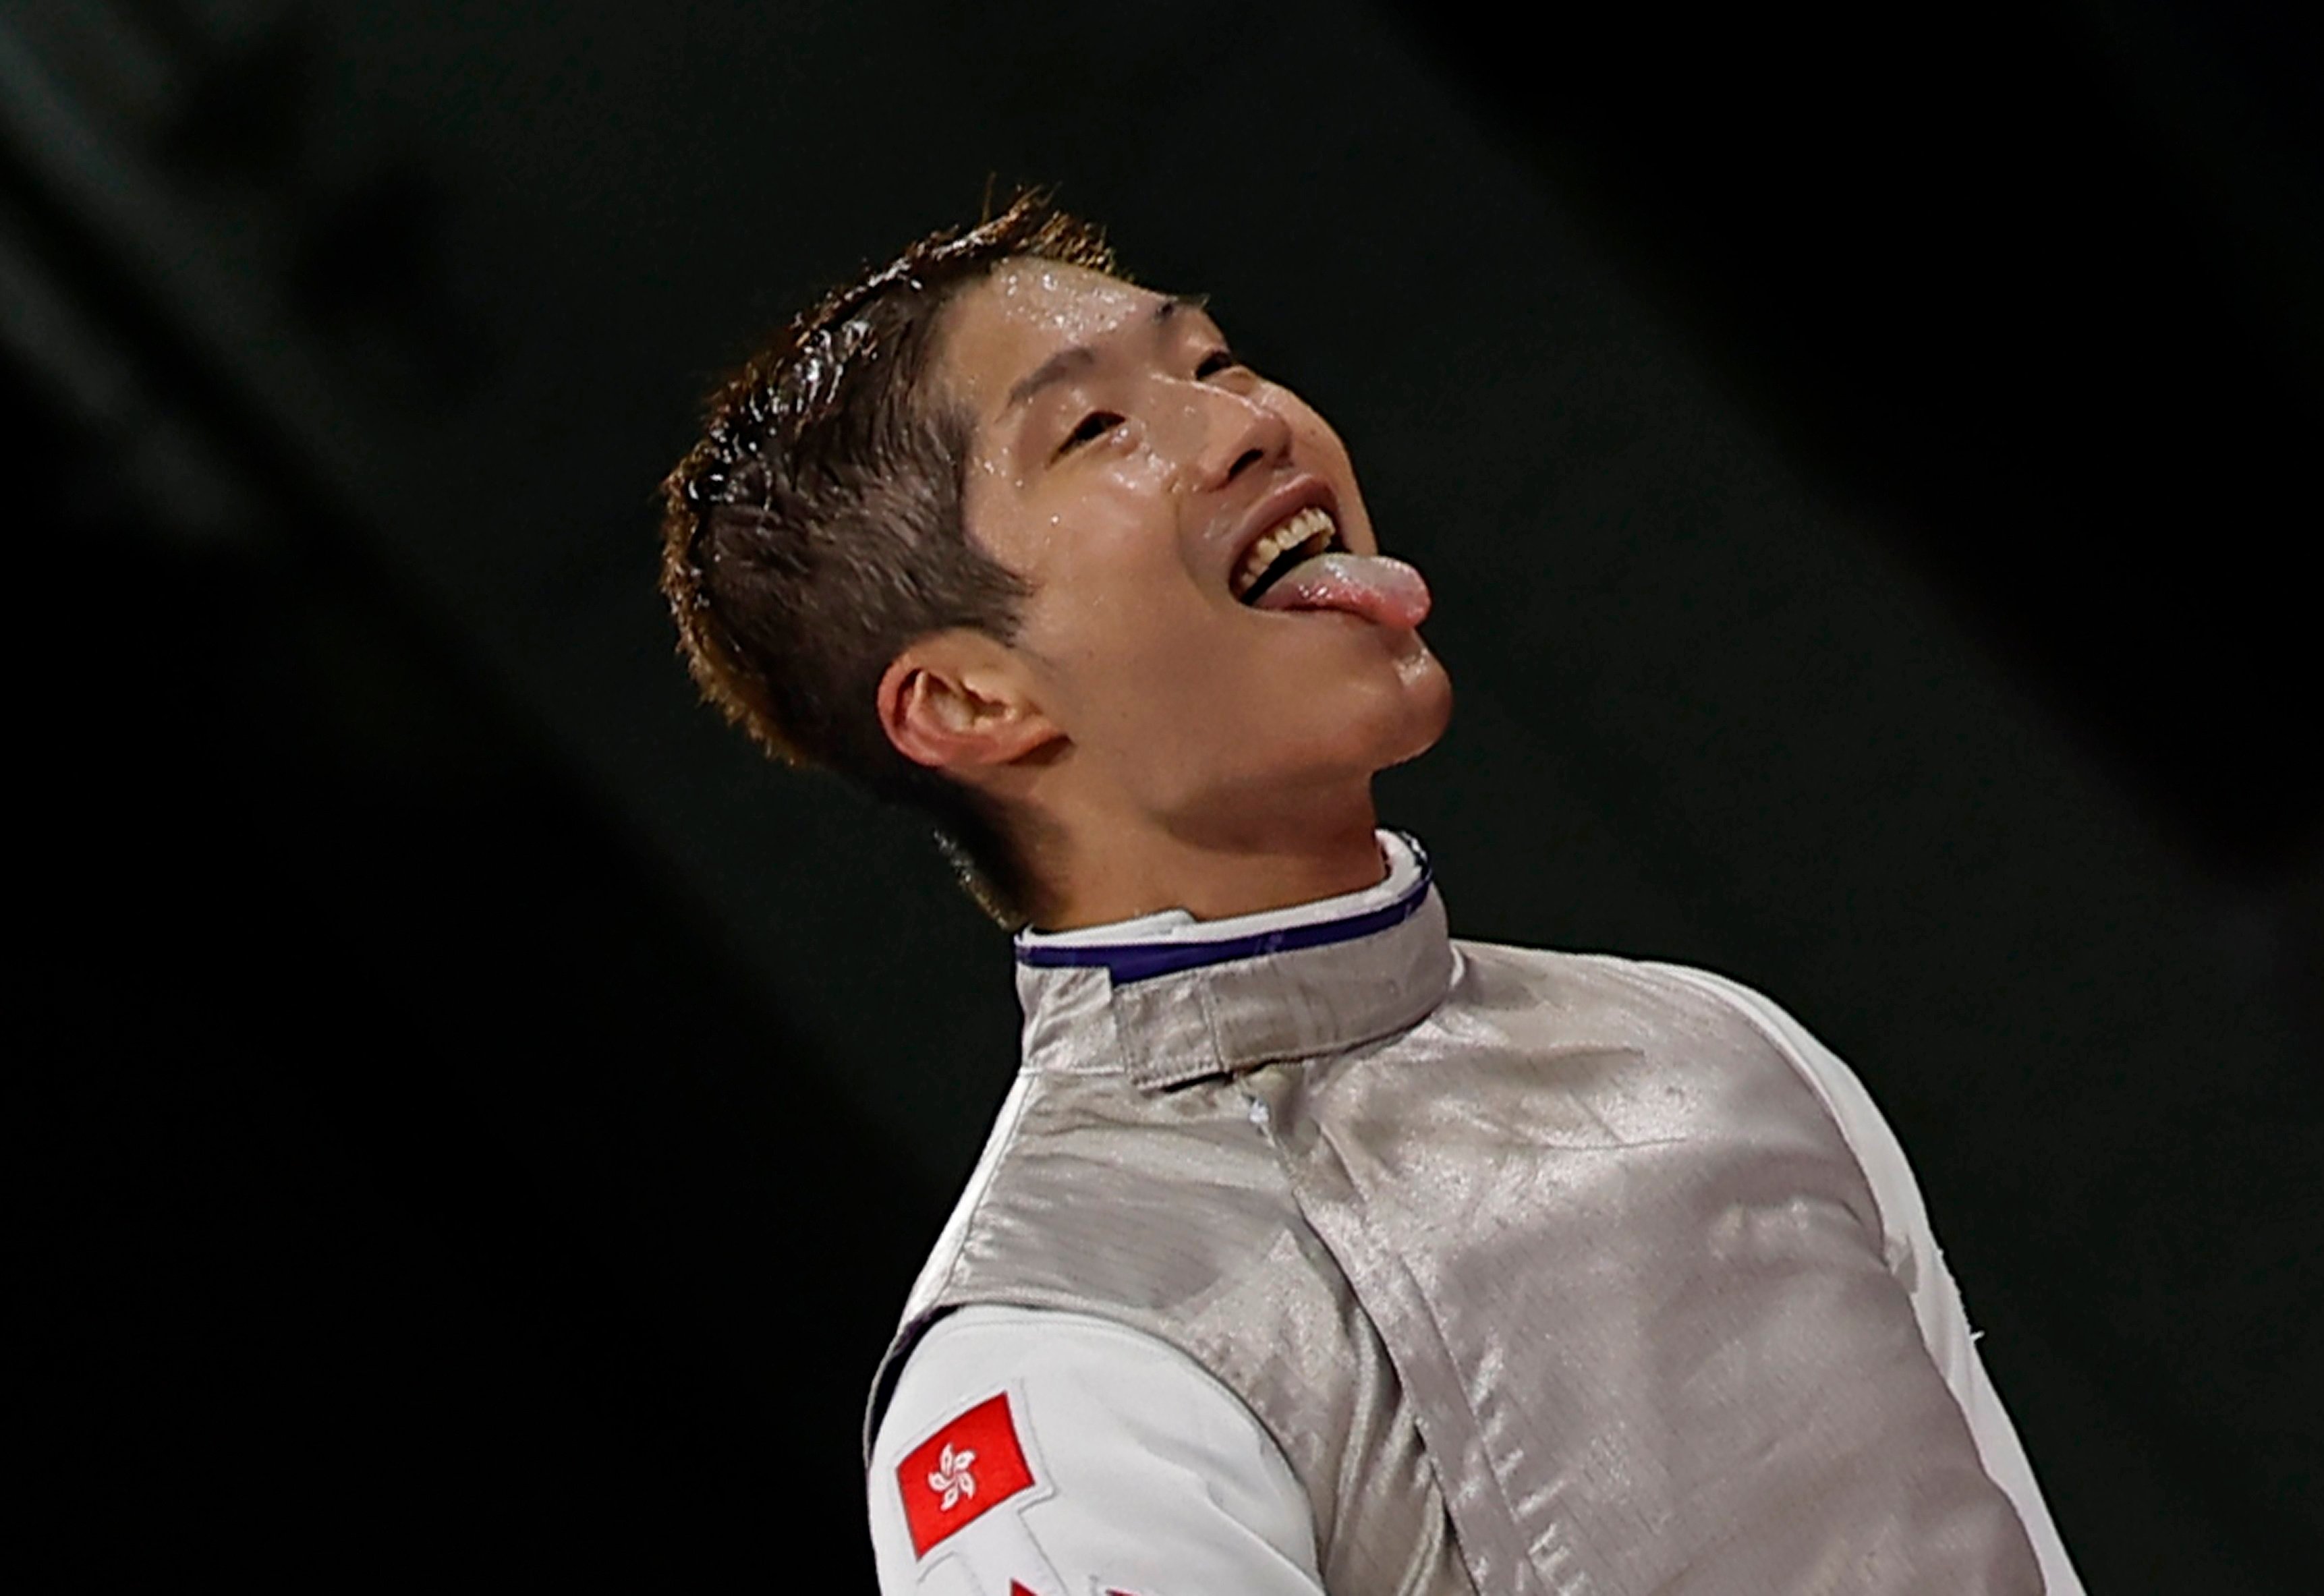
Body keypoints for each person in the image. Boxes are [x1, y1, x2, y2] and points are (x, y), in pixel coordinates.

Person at [659, 194, 2084, 1595]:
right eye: (1096, 428)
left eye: (1214, 362)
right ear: (971, 697)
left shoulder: (1710, 1051)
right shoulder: (1066, 1356)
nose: (1251, 419)